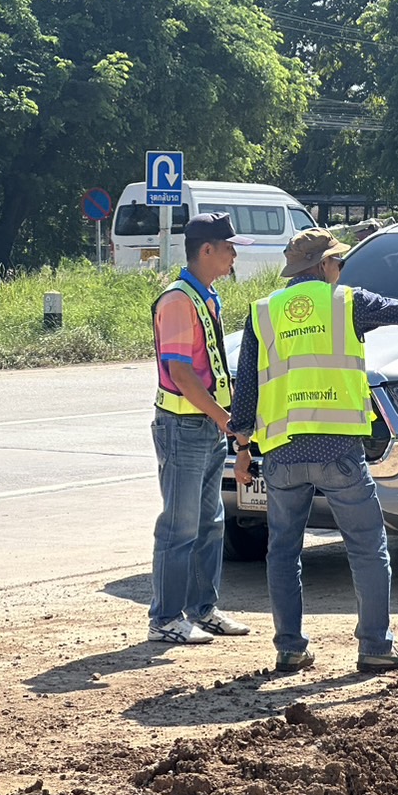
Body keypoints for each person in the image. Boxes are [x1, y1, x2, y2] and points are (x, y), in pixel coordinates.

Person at [228, 228, 398, 673]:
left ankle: (289, 648)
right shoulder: (346, 302)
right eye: (338, 261)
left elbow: (247, 388)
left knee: (283, 553)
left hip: (282, 455)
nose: (341, 268)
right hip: (338, 451)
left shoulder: (263, 312)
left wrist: (244, 448)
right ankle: (375, 646)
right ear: (323, 265)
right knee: (367, 548)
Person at [148, 212, 255, 644]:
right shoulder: (179, 300)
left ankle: (202, 610)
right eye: (229, 249)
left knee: (210, 523)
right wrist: (223, 419)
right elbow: (181, 374)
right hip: (184, 426)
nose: (233, 257)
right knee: (180, 526)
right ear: (206, 250)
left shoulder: (205, 295)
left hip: (205, 426)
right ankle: (165, 619)